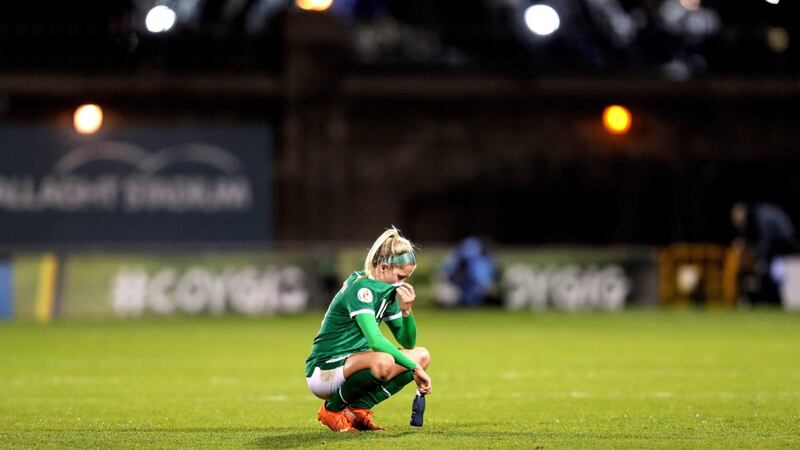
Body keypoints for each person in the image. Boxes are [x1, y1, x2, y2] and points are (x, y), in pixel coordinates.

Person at [305, 228, 432, 432]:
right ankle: (332, 410)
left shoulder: (387, 291)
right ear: (382, 267)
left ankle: (357, 410)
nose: (402, 283)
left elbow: (408, 342)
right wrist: (413, 369)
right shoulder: (361, 289)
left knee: (422, 356)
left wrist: (407, 312)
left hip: (353, 362)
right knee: (384, 361)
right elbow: (375, 341)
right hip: (325, 370)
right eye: (400, 276)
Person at [731, 202, 799, 304]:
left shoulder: (761, 217)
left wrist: (762, 261)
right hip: (779, 246)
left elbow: (768, 241)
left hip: (783, 246)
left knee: (771, 273)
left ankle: (772, 300)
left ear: (744, 212)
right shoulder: (757, 215)